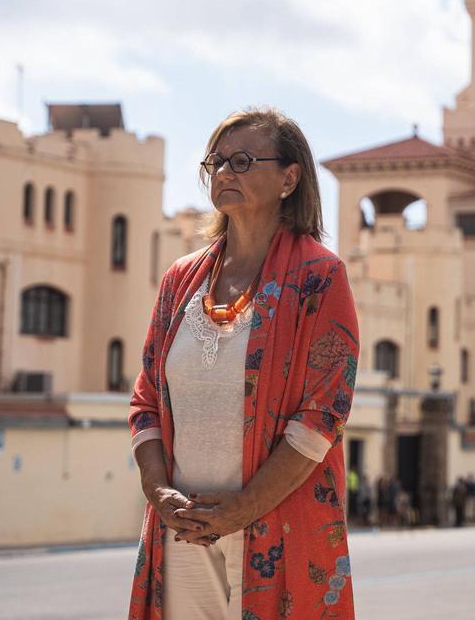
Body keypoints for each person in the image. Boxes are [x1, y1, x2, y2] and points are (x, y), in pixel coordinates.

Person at [127, 108, 359, 619]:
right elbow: (145, 402)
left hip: (279, 528)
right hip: (183, 530)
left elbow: (323, 415)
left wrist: (242, 509)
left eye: (243, 160)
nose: (225, 172)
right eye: (217, 161)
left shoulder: (320, 277)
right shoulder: (180, 280)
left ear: (289, 178)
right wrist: (159, 491)